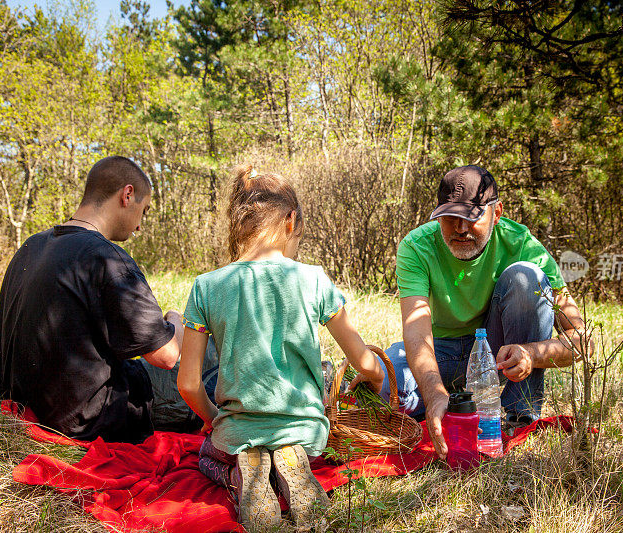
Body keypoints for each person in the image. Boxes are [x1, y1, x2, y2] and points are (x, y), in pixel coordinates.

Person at [177, 166, 385, 529]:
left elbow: (188, 384)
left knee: (205, 457)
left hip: (239, 432)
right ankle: (288, 472)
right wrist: (377, 378)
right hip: (308, 434)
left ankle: (245, 479)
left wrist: (215, 419)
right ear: (291, 220)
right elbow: (364, 361)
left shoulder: (206, 286)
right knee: (298, 452)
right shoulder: (314, 279)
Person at [0, 156, 212, 443]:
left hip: (32, 400)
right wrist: (175, 320)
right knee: (214, 353)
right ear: (127, 195)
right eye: (143, 212)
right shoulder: (107, 258)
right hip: (90, 416)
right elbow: (166, 356)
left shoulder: (32, 245)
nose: (140, 226)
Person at [379, 165, 591, 459]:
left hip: (496, 355)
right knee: (380, 388)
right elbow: (416, 333)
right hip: (440, 353)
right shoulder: (416, 247)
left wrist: (531, 353)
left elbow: (581, 340)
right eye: (450, 217)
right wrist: (434, 393)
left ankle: (519, 417)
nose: (461, 228)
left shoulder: (524, 245)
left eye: (472, 217)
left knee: (525, 277)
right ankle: (451, 403)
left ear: (497, 212)